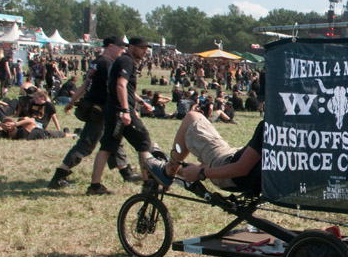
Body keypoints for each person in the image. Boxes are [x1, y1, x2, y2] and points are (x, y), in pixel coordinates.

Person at [49, 38, 141, 189]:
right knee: (86, 144)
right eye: (120, 47)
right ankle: (59, 175)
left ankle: (126, 172)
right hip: (100, 109)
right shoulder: (107, 64)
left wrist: (72, 101)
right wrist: (128, 107)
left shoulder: (96, 62)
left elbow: (86, 84)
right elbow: (114, 87)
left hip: (98, 107)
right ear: (110, 46)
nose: (123, 51)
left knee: (113, 139)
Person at [88, 37, 155, 195]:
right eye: (142, 48)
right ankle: (147, 184)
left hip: (112, 109)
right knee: (143, 141)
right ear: (131, 47)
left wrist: (138, 103)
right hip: (120, 111)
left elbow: (126, 88)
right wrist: (125, 110)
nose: (145, 51)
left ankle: (94, 186)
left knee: (107, 146)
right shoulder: (126, 61)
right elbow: (121, 84)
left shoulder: (122, 61)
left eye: (146, 48)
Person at [145, 111, 264, 194]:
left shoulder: (269, 125)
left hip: (232, 170)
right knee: (206, 162)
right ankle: (179, 169)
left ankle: (169, 170)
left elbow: (241, 169)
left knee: (192, 117)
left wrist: (201, 173)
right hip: (254, 172)